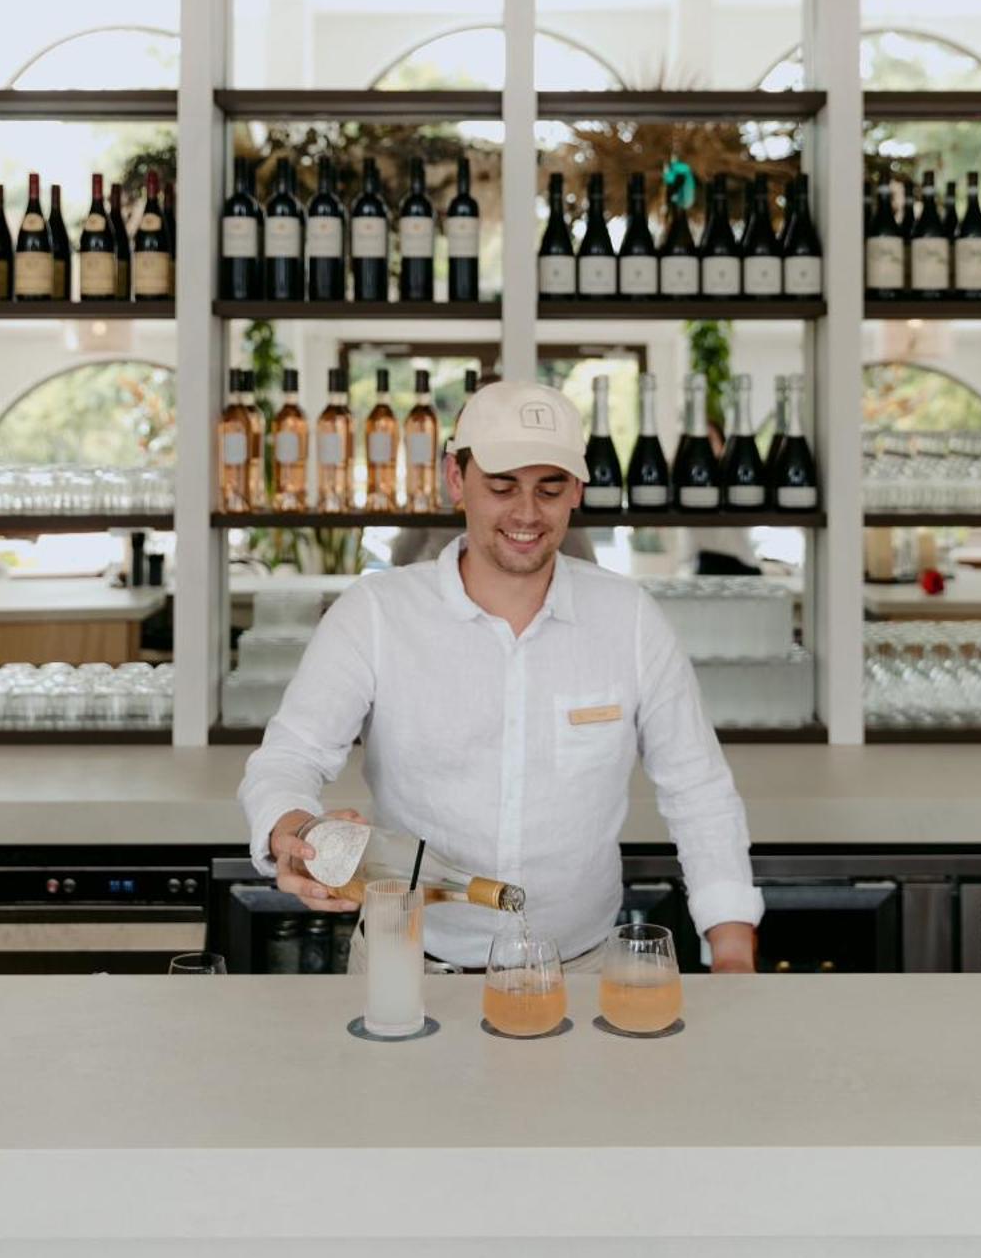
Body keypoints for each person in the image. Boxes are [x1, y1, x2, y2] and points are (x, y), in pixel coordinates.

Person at [239, 379, 762, 974]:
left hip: (580, 971)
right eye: (502, 486)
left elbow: (699, 791)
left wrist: (733, 953)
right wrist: (290, 828)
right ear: (456, 479)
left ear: (577, 491)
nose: (526, 513)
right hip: (407, 968)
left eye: (549, 488)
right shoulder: (377, 613)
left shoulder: (629, 618)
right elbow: (288, 759)